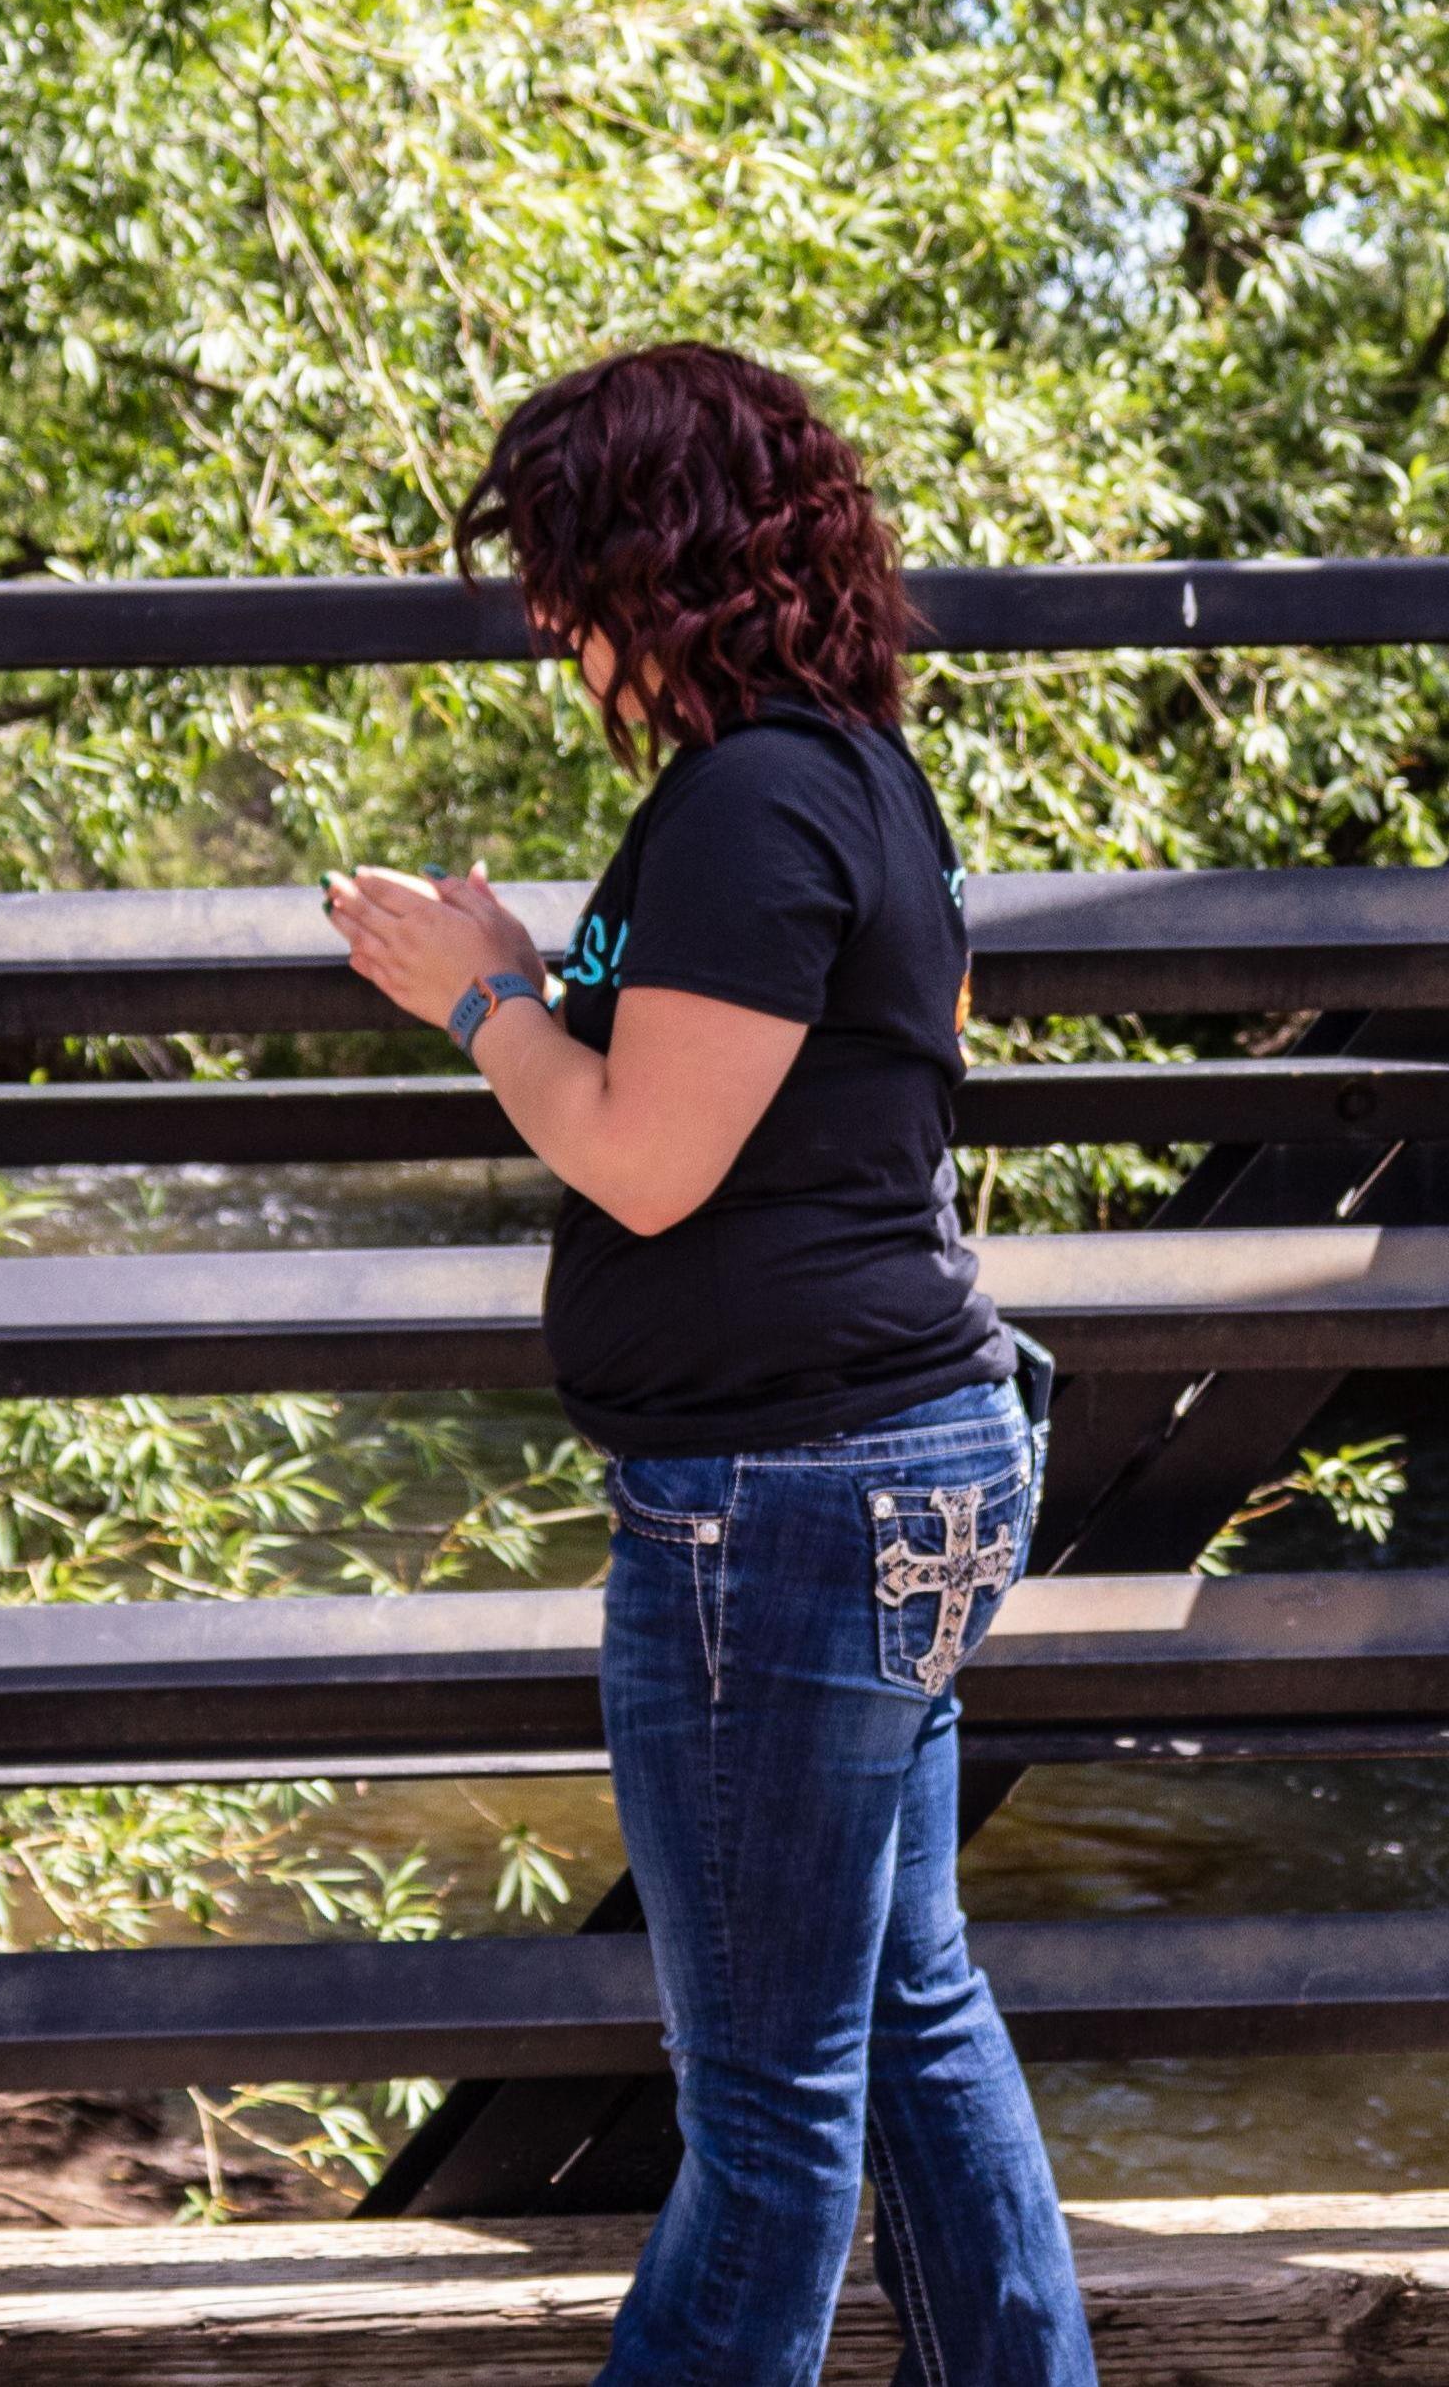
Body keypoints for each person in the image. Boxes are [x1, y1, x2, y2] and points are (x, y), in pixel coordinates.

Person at [327, 343, 1096, 2387]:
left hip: (791, 1508)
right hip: (877, 1473)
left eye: (562, 572)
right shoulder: (834, 770)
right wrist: (532, 960)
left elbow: (645, 1162)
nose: (544, 623)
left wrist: (475, 988)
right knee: (909, 2003)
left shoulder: (760, 799)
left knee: (762, 2118)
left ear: (652, 564)